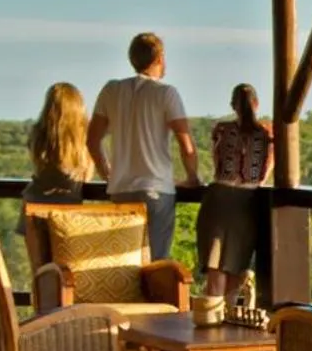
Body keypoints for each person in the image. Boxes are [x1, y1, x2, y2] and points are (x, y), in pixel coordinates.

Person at [88, 32, 198, 261]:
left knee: (123, 262)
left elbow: (92, 140)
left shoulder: (111, 90)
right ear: (159, 58)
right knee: (155, 262)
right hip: (155, 190)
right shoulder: (166, 93)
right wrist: (192, 177)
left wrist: (108, 174)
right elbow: (185, 143)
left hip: (120, 191)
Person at [194, 84, 274, 298]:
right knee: (237, 267)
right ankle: (227, 322)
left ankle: (211, 321)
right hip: (247, 203)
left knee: (215, 268)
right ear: (256, 104)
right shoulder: (267, 133)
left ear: (232, 105)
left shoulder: (221, 129)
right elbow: (266, 172)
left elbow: (217, 162)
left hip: (218, 200)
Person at [24, 83, 92, 203]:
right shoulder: (84, 138)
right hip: (68, 203)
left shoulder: (38, 134)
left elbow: (37, 164)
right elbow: (86, 177)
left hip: (35, 199)